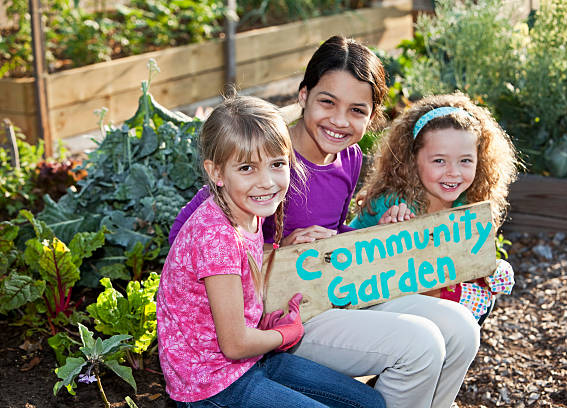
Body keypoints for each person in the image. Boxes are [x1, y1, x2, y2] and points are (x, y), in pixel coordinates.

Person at [168, 36, 479, 408]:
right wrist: (276, 248)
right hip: (282, 311)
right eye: (327, 102)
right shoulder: (266, 159)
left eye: (357, 110)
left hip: (334, 289)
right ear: (303, 96)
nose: (339, 121)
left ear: (372, 115)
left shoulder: (348, 158)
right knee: (420, 343)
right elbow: (185, 239)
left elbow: (335, 236)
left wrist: (384, 232)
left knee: (462, 329)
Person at [156, 95, 386, 408]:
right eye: (247, 168)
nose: (266, 182)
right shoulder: (216, 236)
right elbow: (235, 344)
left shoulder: (247, 211)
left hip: (250, 360)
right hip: (211, 385)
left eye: (277, 164)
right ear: (216, 173)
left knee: (370, 403)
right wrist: (286, 333)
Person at [350, 92, 518, 323]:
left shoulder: (466, 203)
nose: (453, 172)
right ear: (412, 160)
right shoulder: (394, 205)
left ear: (480, 160)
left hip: (423, 304)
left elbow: (458, 263)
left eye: (465, 160)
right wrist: (386, 234)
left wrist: (490, 267)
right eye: (439, 160)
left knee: (480, 296)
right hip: (369, 309)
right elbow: (385, 278)